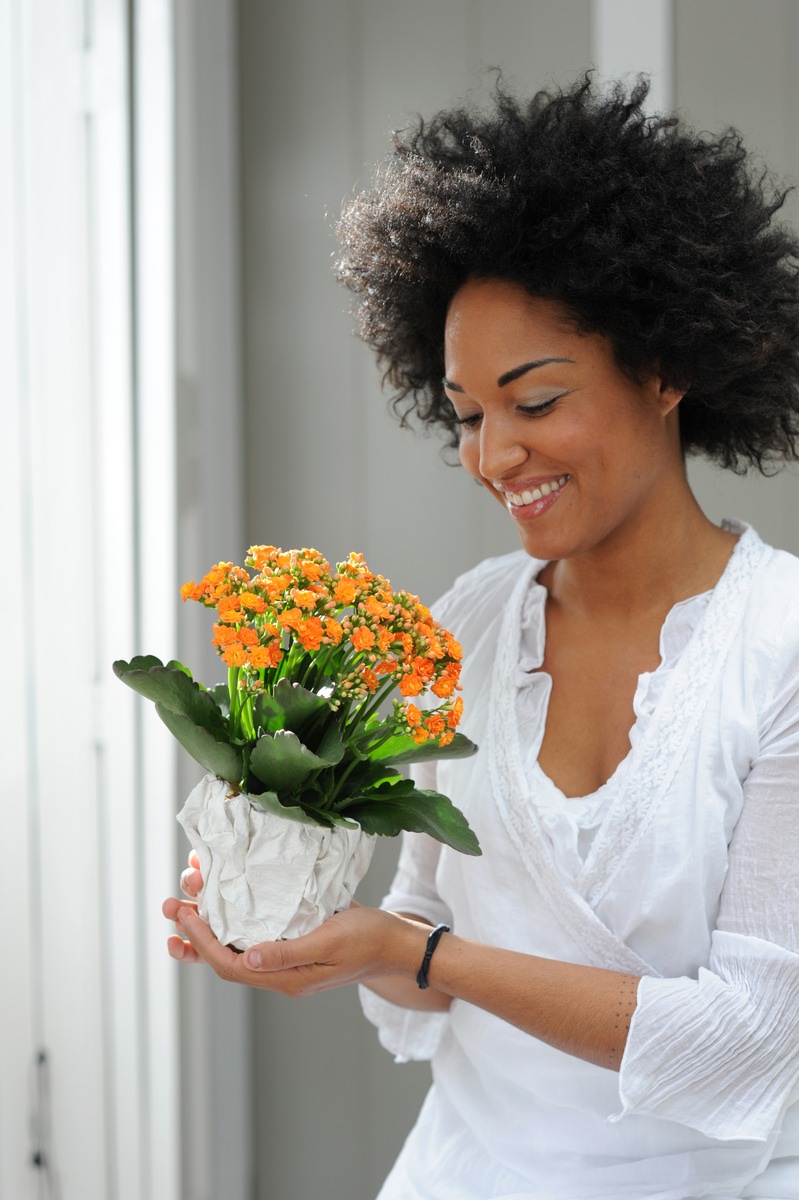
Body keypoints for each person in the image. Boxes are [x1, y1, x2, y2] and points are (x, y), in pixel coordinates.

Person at [163, 76, 799, 1199]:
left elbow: (743, 1039)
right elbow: (425, 923)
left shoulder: (780, 644)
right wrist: (312, 927)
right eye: (465, 413)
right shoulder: (472, 620)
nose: (492, 455)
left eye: (535, 400)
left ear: (665, 368)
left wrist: (404, 951)